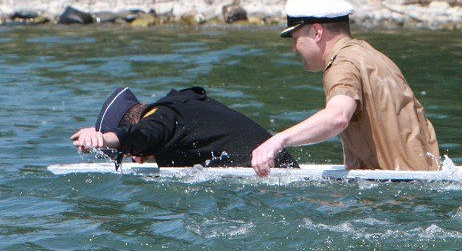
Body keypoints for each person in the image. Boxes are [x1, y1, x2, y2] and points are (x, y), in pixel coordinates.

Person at [250, 0, 440, 176]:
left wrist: (278, 140)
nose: (294, 48)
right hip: (423, 181)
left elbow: (338, 117)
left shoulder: (342, 65)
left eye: (295, 38)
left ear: (317, 32)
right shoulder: (373, 57)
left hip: (395, 195)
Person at [69, 86, 298, 168]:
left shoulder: (163, 120)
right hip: (281, 167)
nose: (138, 160)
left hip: (272, 180)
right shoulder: (181, 106)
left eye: (132, 155)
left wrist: (107, 140)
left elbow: (143, 134)